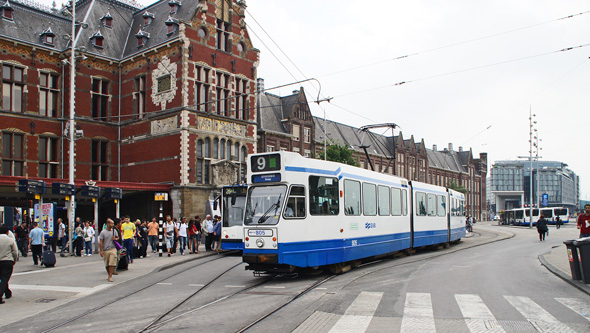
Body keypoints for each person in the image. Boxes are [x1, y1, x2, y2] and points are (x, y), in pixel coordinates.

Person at [0, 225, 18, 304]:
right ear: (7, 232)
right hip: (7, 261)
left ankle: (8, 293)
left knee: (3, 278)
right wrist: (14, 260)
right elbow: (15, 252)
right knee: (4, 278)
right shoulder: (10, 240)